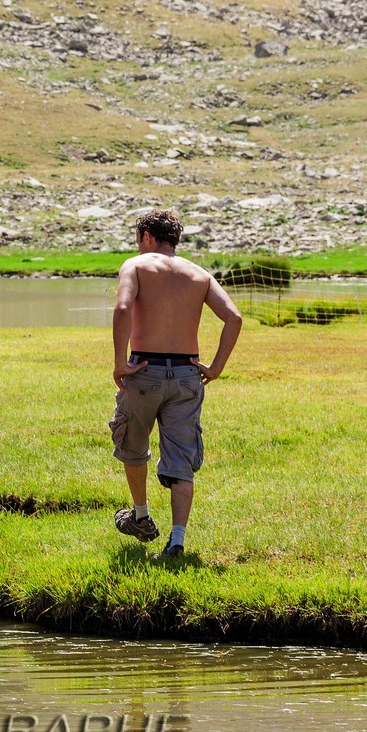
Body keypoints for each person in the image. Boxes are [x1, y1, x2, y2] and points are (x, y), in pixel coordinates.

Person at [110, 209, 243, 560]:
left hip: (144, 370)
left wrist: (120, 363)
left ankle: (141, 517)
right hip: (187, 374)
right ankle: (177, 542)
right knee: (181, 460)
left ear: (147, 236)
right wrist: (215, 367)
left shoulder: (136, 266)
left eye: (139, 240)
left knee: (133, 446)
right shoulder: (199, 274)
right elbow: (234, 317)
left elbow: (122, 309)